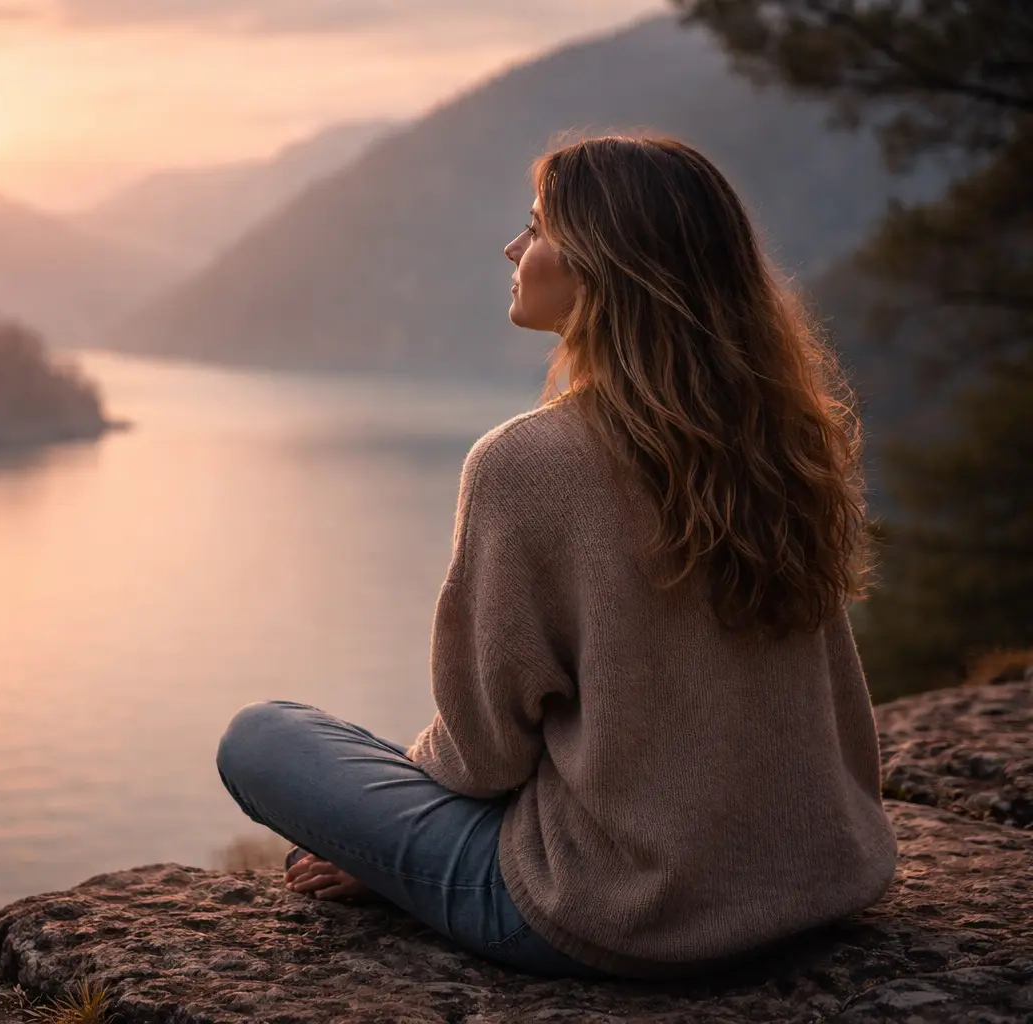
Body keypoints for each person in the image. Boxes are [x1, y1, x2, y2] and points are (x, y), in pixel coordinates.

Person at [213, 134, 899, 982]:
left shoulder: (526, 462)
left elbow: (482, 756)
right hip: (814, 878)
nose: (513, 248)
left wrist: (382, 844)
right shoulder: (784, 438)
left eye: (537, 227)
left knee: (264, 737)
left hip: (622, 912)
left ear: (600, 264)